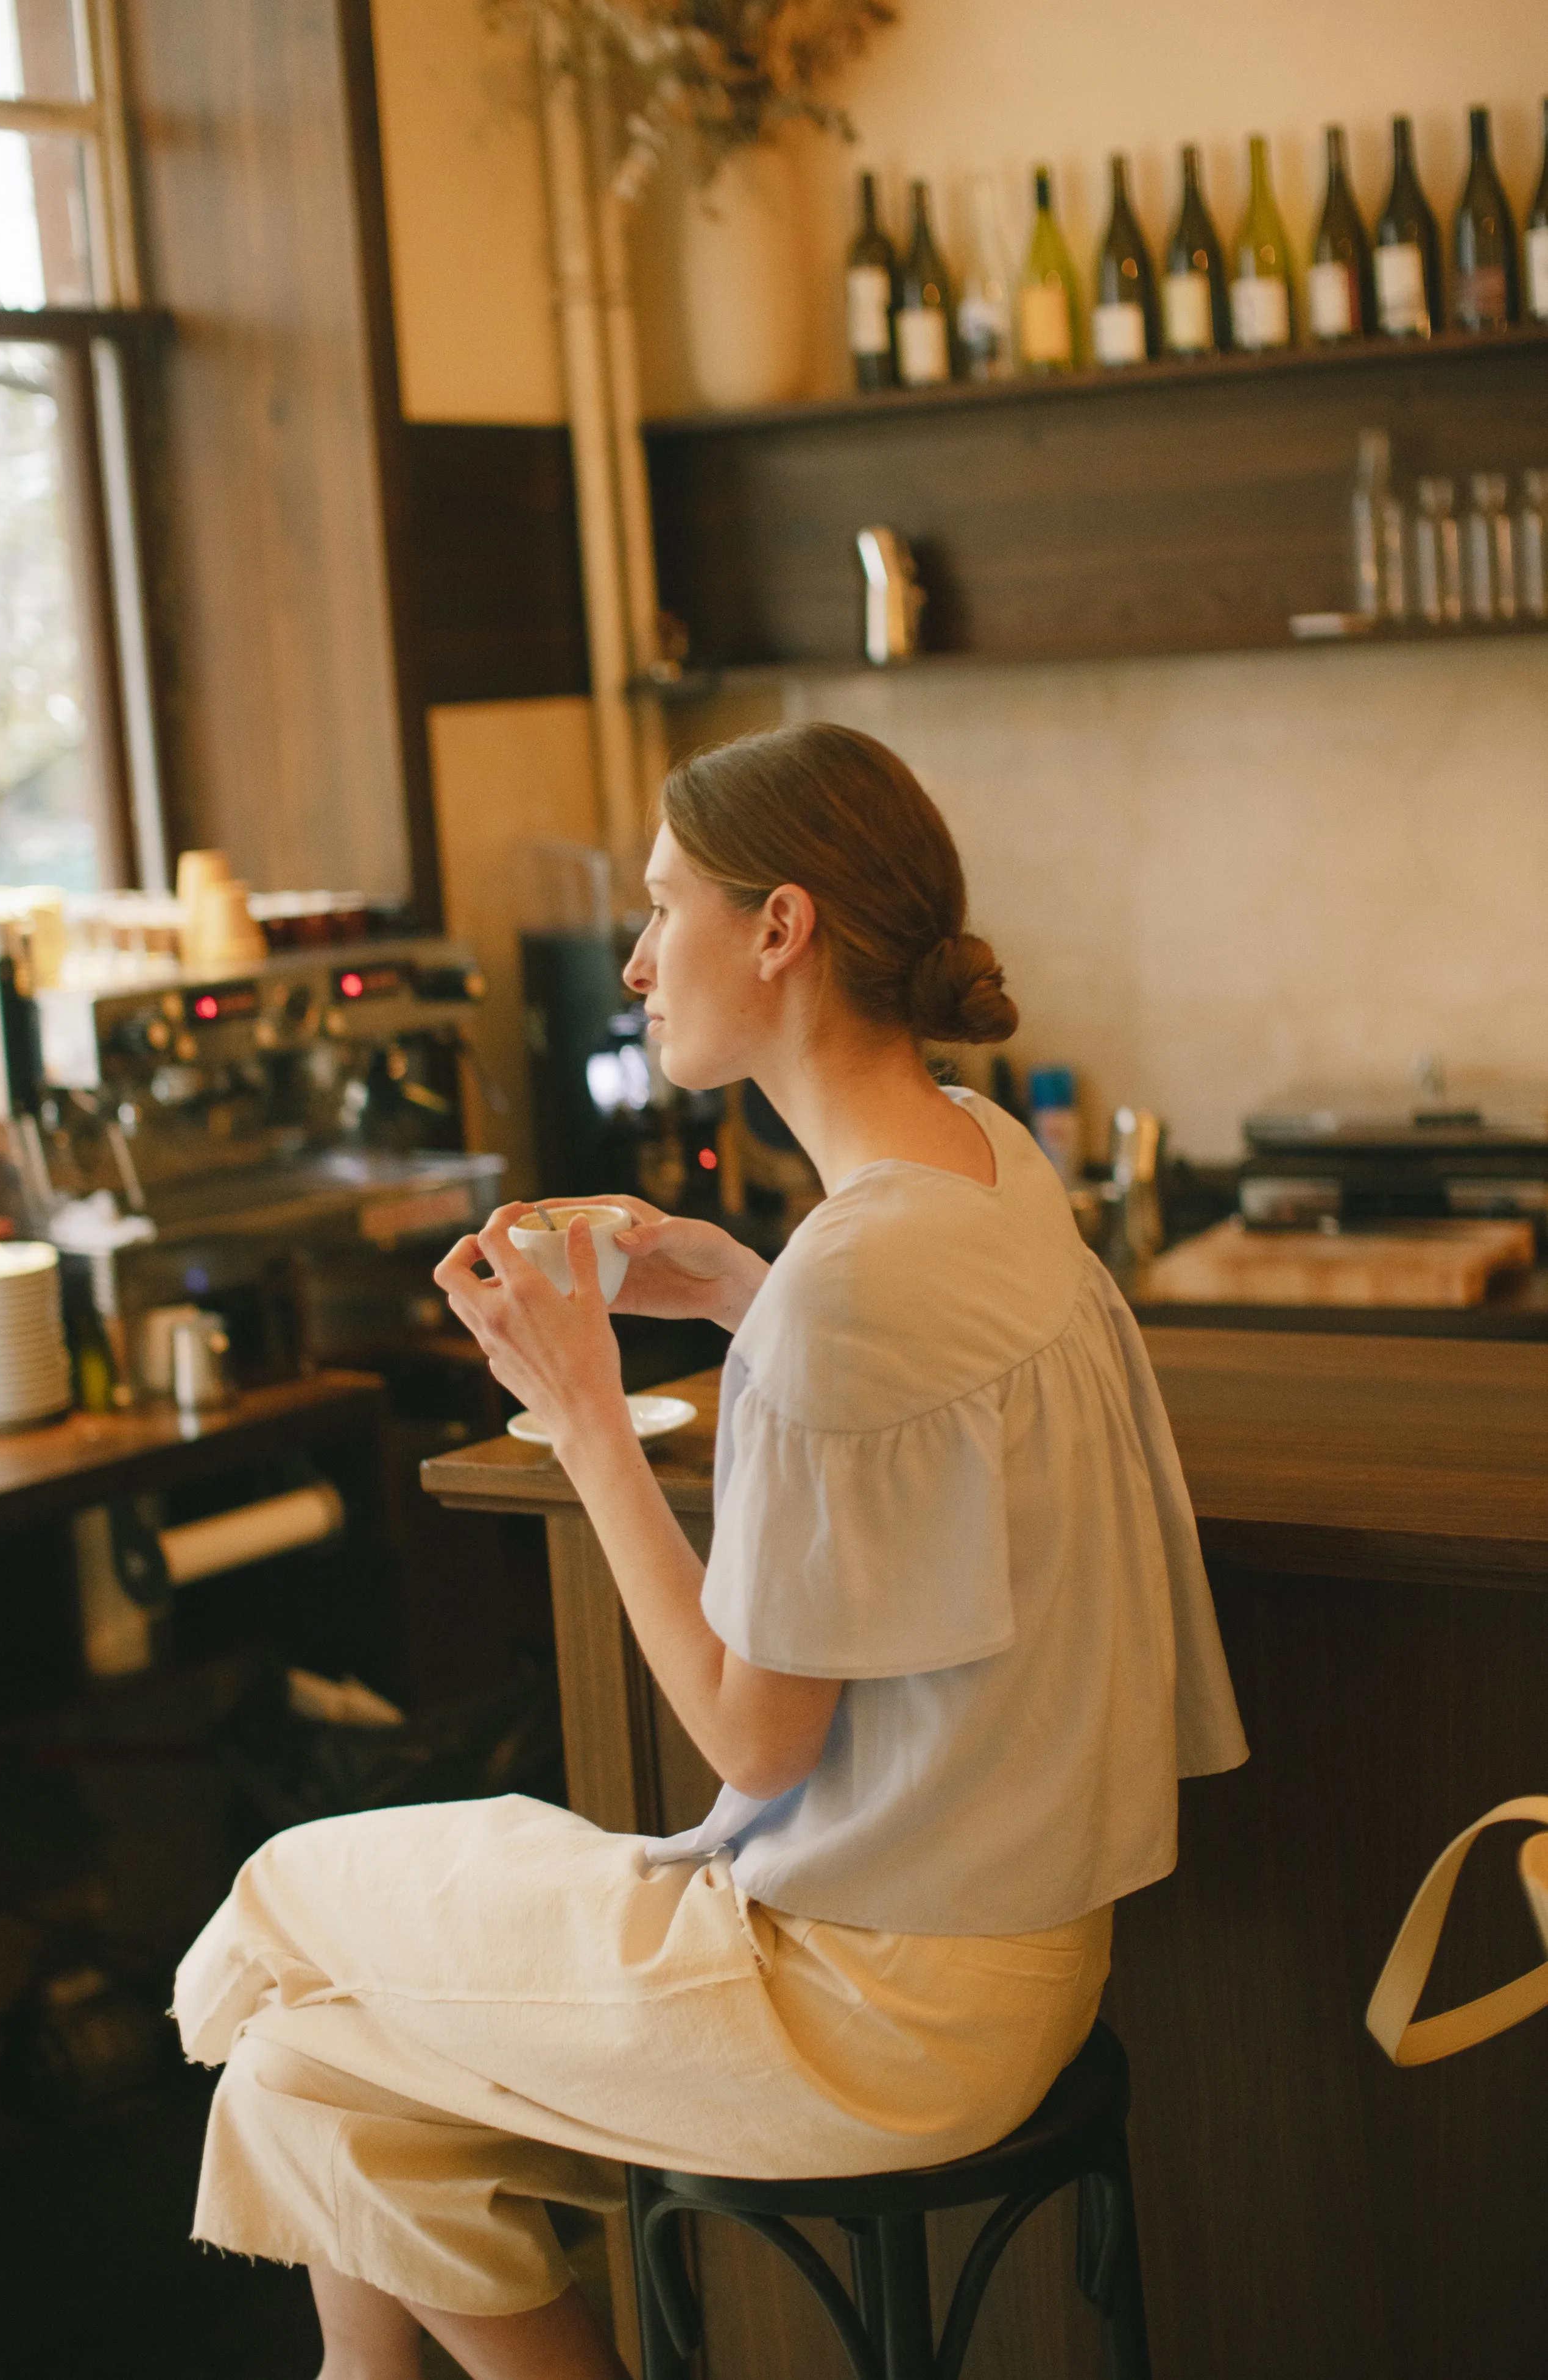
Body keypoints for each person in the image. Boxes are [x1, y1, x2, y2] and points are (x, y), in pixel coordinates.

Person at [174, 722, 1247, 2380]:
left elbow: (752, 1734)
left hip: (865, 2007)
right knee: (301, 2075)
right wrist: (737, 1282)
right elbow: (913, 1367)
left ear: (779, 926)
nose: (632, 954)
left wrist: (586, 1411)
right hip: (1006, 1956)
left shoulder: (851, 1285)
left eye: (665, 903)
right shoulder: (979, 1155)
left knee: (272, 1916)